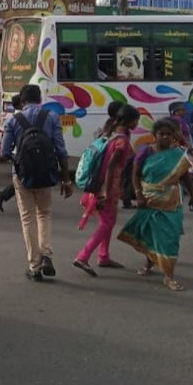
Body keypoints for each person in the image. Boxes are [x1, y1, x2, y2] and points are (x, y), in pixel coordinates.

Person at [0, 85, 74, 282]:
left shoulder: (13, 120)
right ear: (40, 99)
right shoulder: (51, 117)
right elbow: (61, 150)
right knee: (44, 213)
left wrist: (19, 160)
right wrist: (66, 179)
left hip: (22, 175)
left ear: (22, 101)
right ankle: (47, 254)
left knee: (28, 218)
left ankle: (34, 265)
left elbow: (4, 152)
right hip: (46, 174)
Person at [117, 118, 193, 292]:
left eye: (169, 134)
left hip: (172, 203)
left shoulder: (178, 154)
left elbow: (184, 176)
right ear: (154, 135)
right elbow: (135, 175)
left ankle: (169, 276)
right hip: (149, 199)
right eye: (161, 134)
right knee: (149, 235)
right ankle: (149, 264)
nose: (165, 137)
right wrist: (138, 194)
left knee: (170, 238)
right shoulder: (145, 152)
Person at [73, 105, 140, 275]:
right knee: (107, 223)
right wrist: (105, 191)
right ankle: (83, 256)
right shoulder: (121, 141)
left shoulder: (108, 134)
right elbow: (111, 167)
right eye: (136, 120)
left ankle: (103, 256)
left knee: (108, 221)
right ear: (129, 121)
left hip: (99, 184)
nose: (137, 123)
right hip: (107, 186)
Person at [0, 95, 23, 212]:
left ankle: (2, 195)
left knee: (20, 179)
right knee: (21, 180)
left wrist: (7, 154)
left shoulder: (11, 117)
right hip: (20, 153)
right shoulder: (18, 118)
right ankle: (3, 196)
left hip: (16, 153)